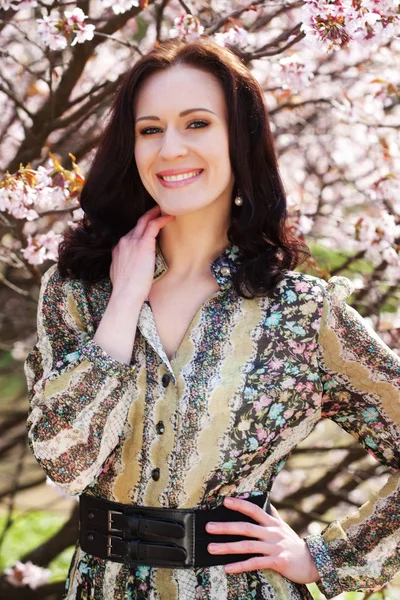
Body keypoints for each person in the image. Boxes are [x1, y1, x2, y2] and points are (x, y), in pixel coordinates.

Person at [24, 37, 400, 600]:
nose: (169, 148)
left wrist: (325, 556)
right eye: (149, 129)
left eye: (196, 123)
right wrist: (125, 300)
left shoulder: (301, 313)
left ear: (240, 140)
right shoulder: (78, 292)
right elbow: (64, 462)